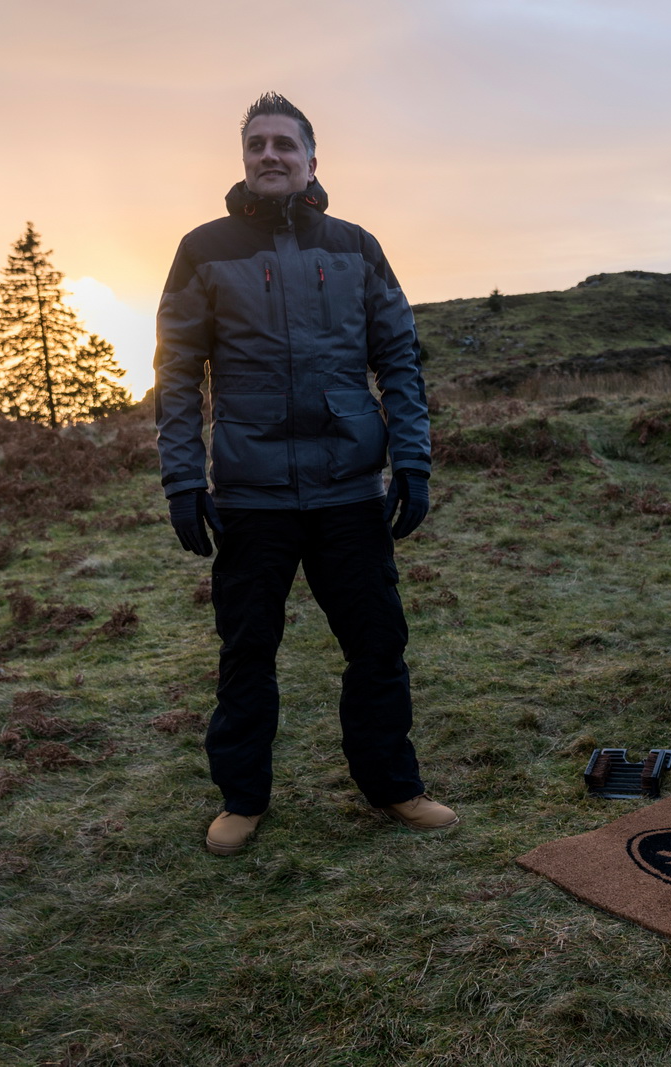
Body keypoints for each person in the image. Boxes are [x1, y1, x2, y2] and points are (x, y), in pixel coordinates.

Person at [154, 92, 457, 856]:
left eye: (284, 143)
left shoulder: (356, 247)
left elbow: (399, 362)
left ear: (312, 160)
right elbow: (178, 374)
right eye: (257, 144)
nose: (270, 155)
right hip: (251, 499)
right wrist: (184, 482)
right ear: (244, 158)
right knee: (246, 652)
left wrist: (412, 462)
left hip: (349, 491)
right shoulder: (203, 248)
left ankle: (393, 786)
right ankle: (242, 799)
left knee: (378, 646)